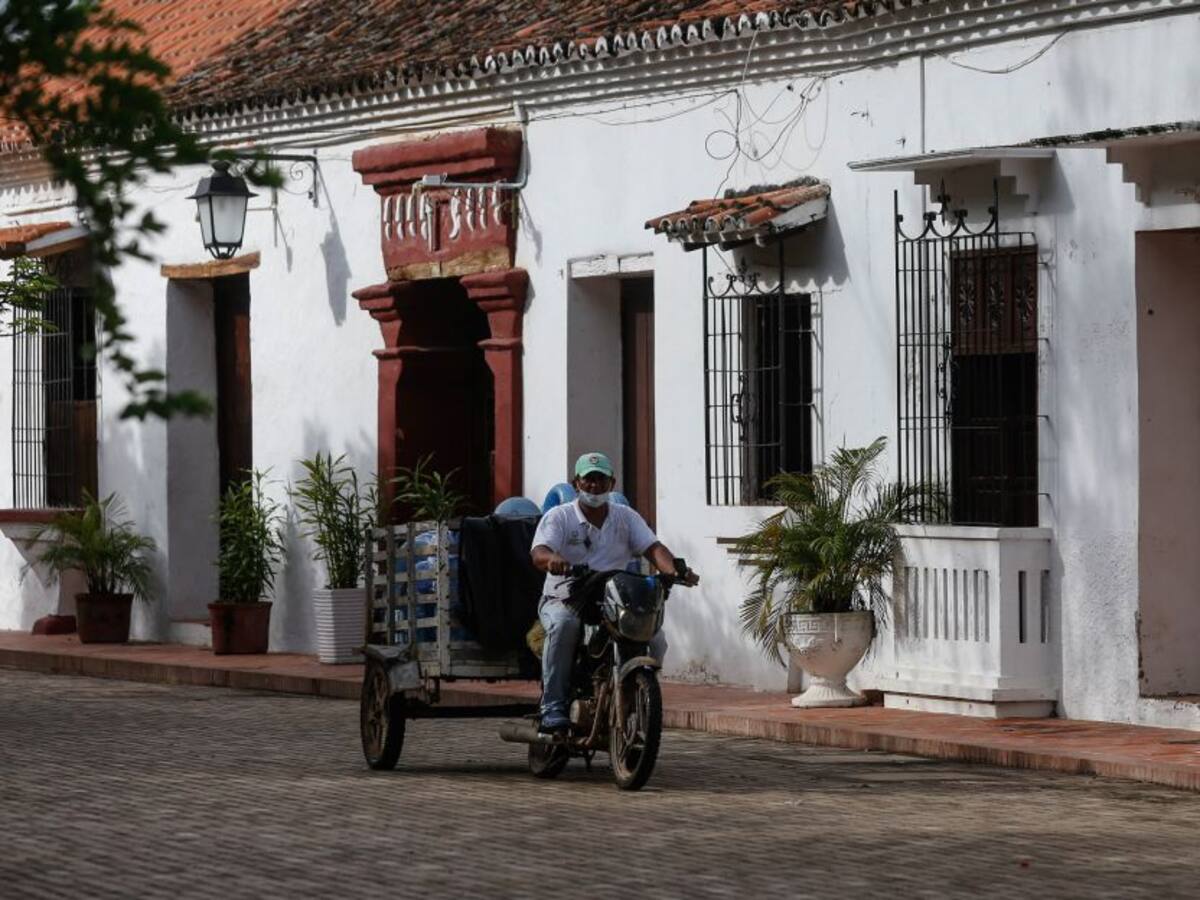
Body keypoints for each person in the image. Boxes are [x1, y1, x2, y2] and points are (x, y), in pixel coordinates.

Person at [530, 451, 699, 735]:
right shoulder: (559, 517)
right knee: (564, 626)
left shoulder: (625, 517)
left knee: (655, 638)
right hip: (565, 598)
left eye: (601, 479)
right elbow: (539, 552)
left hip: (612, 600)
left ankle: (634, 697)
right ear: (576, 483)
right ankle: (553, 707)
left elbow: (654, 548)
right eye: (588, 480)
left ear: (612, 482)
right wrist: (553, 560)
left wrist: (675, 571)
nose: (594, 486)